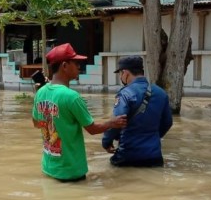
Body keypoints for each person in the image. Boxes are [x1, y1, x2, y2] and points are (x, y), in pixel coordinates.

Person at [32, 43, 127, 182]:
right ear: (64, 66)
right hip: (71, 172)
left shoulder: (40, 92)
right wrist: (112, 123)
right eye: (75, 63)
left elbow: (36, 123)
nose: (79, 66)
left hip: (48, 167)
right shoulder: (72, 97)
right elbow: (92, 129)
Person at [102, 56, 173, 167]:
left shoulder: (125, 94)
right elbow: (168, 122)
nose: (121, 77)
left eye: (120, 73)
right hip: (154, 157)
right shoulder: (161, 93)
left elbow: (117, 122)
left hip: (128, 156)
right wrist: (151, 138)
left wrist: (106, 142)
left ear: (125, 73)